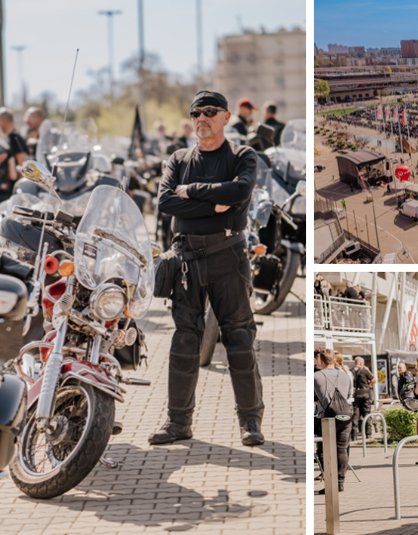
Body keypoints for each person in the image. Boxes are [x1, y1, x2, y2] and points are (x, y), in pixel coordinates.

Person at [150, 90, 264, 447]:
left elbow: (241, 190)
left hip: (229, 257)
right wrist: (213, 202)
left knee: (240, 341)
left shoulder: (242, 155)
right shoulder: (179, 158)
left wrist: (193, 192)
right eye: (196, 112)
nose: (202, 117)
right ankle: (178, 423)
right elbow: (166, 202)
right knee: (184, 342)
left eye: (210, 112)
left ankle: (250, 422)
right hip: (185, 260)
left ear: (226, 117)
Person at [314, 349, 352, 493]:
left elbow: (313, 397)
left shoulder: (316, 376)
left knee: (324, 452)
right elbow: (348, 394)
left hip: (326, 418)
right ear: (334, 360)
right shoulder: (345, 376)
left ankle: (330, 484)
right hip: (344, 417)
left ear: (321, 361)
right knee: (341, 450)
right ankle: (340, 483)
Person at [351, 357, 376, 442]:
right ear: (361, 363)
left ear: (355, 363)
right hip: (365, 393)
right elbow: (374, 380)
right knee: (366, 413)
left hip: (355, 394)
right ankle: (368, 434)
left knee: (355, 414)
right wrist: (368, 370)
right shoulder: (364, 371)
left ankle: (353, 435)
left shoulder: (351, 371)